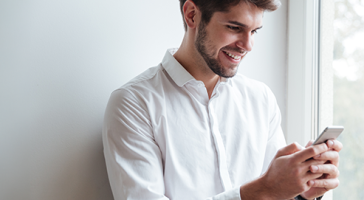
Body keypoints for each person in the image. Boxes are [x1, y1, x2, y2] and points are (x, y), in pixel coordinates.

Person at [102, 0, 342, 199]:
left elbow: (273, 195)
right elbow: (266, 191)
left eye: (254, 31)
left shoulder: (260, 99)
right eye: (235, 28)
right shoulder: (134, 104)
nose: (248, 45)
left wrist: (300, 192)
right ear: (192, 15)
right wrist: (263, 189)